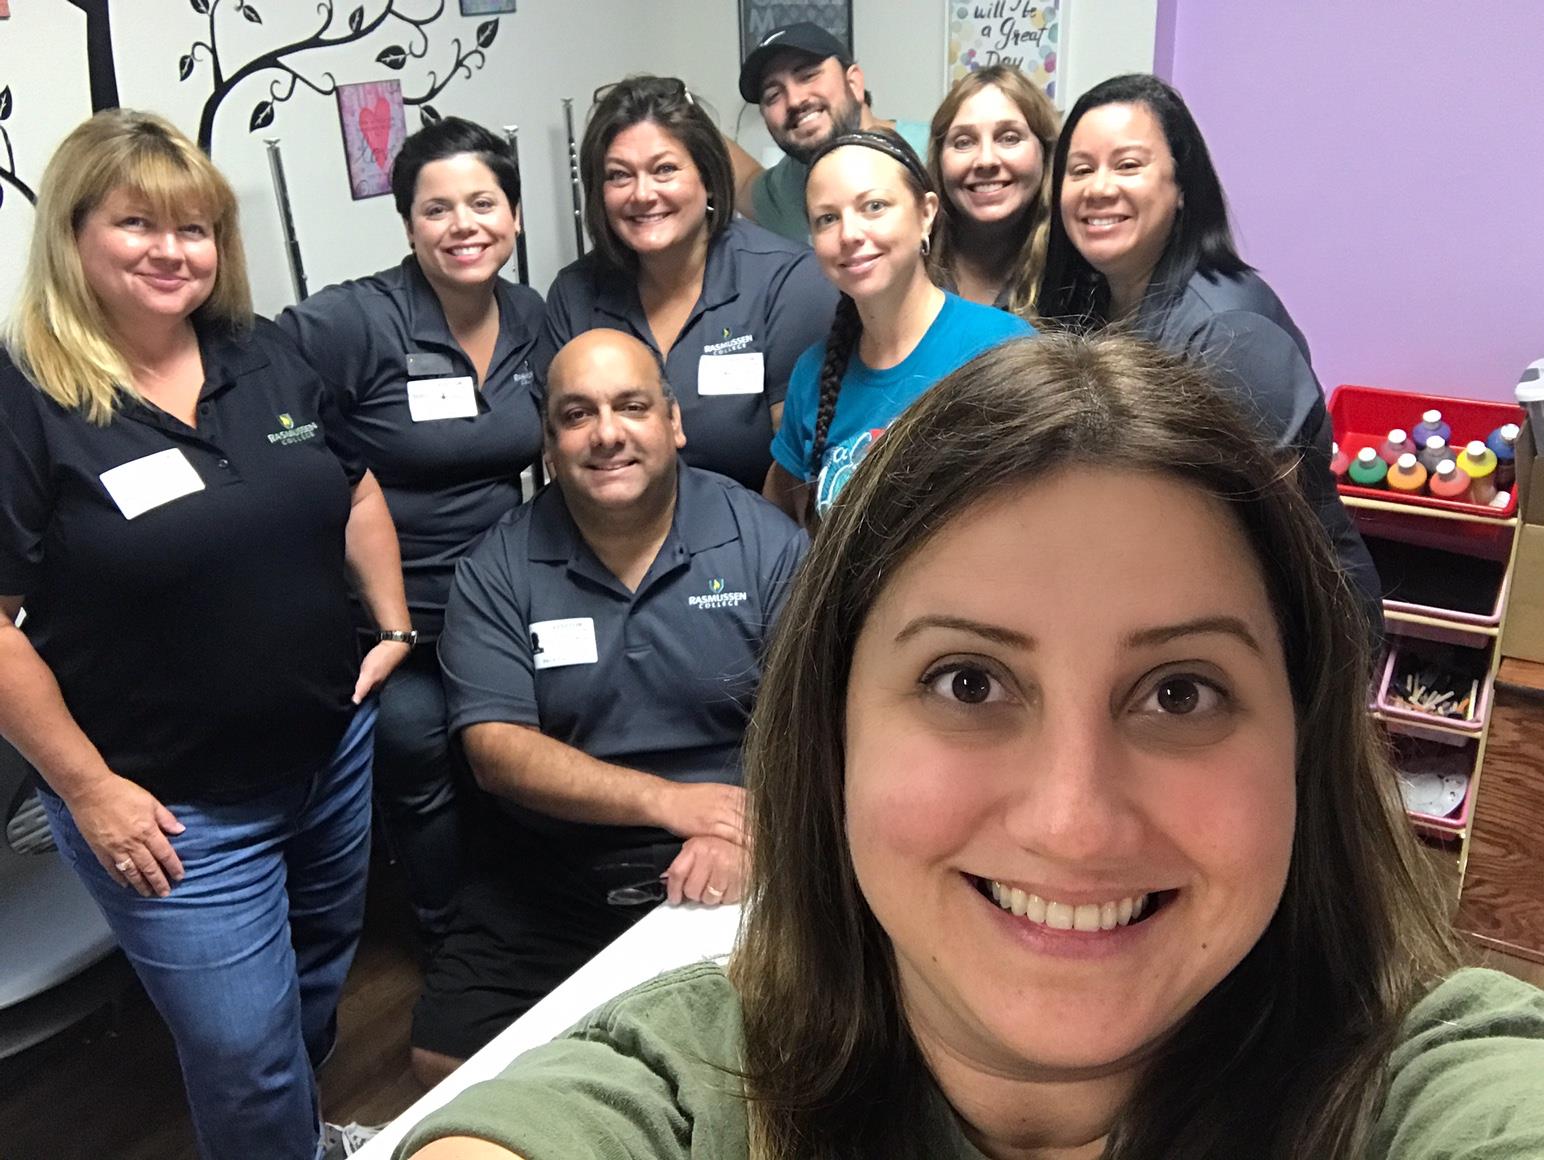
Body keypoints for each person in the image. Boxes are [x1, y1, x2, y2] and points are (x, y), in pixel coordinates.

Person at [393, 332, 1544, 1160]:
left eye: (1179, 691)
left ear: (1301, 738)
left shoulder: (1428, 1079)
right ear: (831, 726)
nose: (1069, 820)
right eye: (968, 681)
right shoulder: (684, 1082)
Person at [0, 110, 412, 1160]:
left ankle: (298, 1138)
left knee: (314, 982)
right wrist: (88, 790)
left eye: (195, 228)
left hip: (326, 752)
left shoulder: (261, 351)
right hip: (169, 807)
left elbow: (355, 488)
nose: (172, 250)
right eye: (138, 223)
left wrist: (393, 624)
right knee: (242, 1047)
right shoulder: (26, 397)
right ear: (74, 233)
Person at [409, 328, 808, 1088]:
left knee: (752, 1060)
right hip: (554, 862)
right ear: (549, 444)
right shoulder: (499, 566)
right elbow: (496, 748)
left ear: (674, 421)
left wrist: (759, 831)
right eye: (577, 414)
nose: (607, 434)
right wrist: (668, 802)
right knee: (446, 1066)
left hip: (737, 838)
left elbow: (817, 720)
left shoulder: (761, 542)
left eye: (631, 406)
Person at [277, 116, 544, 946]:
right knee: (417, 757)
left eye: (483, 204)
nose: (463, 226)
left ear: (515, 216)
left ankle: (526, 923)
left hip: (502, 606)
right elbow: (251, 379)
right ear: (407, 226)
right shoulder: (355, 322)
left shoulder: (531, 316)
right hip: (394, 620)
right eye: (437, 209)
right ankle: (447, 938)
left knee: (517, 761)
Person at [1037, 73, 1382, 622]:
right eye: (1080, 170)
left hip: (1292, 616)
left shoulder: (1230, 329)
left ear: (1181, 189)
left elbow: (1257, 534)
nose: (1099, 188)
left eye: (1128, 165)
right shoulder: (1092, 303)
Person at [537, 75, 835, 493]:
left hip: (757, 528)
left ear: (707, 177)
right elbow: (563, 457)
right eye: (619, 175)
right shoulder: (575, 295)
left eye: (665, 169)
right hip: (611, 527)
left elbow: (800, 472)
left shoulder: (788, 282)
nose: (642, 194)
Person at [765, 128, 1032, 522]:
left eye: (874, 206)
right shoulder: (813, 374)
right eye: (827, 219)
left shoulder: (1003, 349)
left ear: (926, 214)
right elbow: (781, 514)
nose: (849, 234)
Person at [729, 21, 931, 243]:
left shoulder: (937, 153)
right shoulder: (788, 187)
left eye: (808, 76)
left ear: (853, 82)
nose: (794, 100)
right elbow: (744, 181)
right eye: (773, 95)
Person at [925, 64, 1059, 314]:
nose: (986, 160)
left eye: (1009, 138)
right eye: (964, 142)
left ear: (1045, 152)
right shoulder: (906, 266)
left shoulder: (1076, 275)